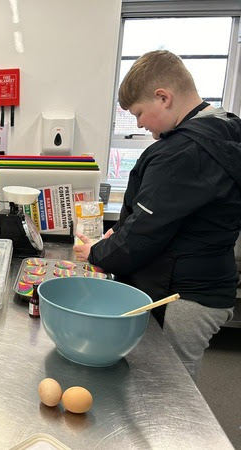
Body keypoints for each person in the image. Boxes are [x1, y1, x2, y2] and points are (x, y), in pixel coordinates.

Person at [74, 50, 241, 380]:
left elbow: (143, 235)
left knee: (170, 386)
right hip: (210, 284)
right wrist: (118, 235)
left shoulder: (183, 152)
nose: (138, 124)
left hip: (186, 295)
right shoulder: (227, 130)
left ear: (163, 97)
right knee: (175, 377)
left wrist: (95, 251)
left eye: (139, 113)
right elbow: (168, 218)